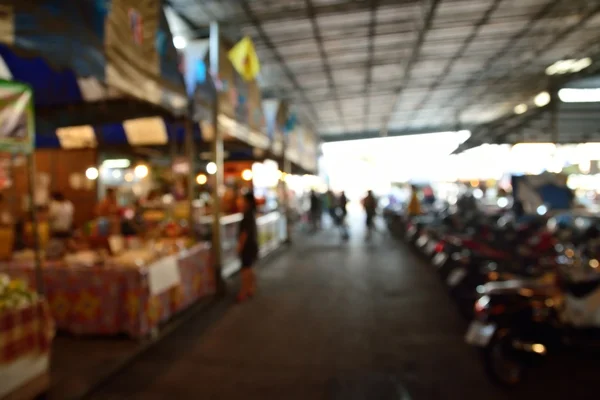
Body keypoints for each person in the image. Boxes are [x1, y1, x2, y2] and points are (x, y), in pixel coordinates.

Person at [236, 191, 259, 302]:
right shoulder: (251, 213)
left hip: (248, 247)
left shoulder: (247, 215)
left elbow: (244, 233)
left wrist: (240, 246)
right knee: (249, 268)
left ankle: (244, 291)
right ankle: (251, 288)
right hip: (252, 245)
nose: (240, 202)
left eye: (242, 200)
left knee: (245, 270)